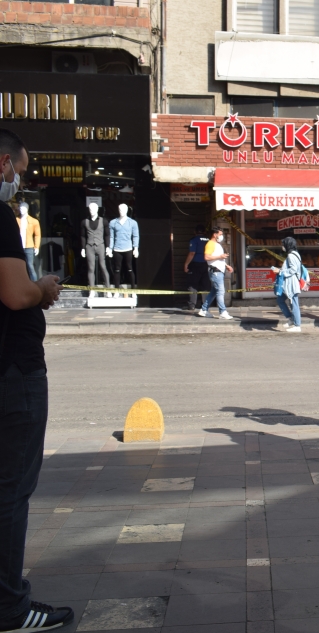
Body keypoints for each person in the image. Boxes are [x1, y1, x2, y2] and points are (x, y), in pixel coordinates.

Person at [0, 128, 73, 631]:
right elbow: (14, 293)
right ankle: (10, 607)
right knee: (10, 492)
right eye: (19, 173)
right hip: (13, 370)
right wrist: (42, 287)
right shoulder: (0, 218)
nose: (19, 184)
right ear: (3, 163)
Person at [198, 227, 233, 320]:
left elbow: (218, 258)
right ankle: (223, 312)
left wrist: (226, 265)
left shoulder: (217, 244)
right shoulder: (210, 244)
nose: (222, 236)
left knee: (214, 292)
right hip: (216, 271)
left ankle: (203, 310)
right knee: (220, 291)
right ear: (215, 234)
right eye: (220, 234)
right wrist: (220, 256)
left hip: (218, 271)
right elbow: (207, 257)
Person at [272, 236, 303, 332]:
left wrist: (280, 271)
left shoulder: (291, 256)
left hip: (291, 283)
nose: (282, 246)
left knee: (294, 303)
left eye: (283, 244)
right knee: (280, 300)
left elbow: (293, 269)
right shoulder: (295, 254)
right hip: (288, 283)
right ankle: (291, 318)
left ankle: (297, 325)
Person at [183, 224, 210, 311]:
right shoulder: (209, 240)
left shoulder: (194, 240)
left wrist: (186, 264)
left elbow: (192, 253)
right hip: (206, 264)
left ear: (195, 232)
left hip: (196, 264)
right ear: (205, 232)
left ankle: (192, 305)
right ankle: (205, 305)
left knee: (192, 284)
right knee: (205, 285)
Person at [15, 202, 40, 282]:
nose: (21, 210)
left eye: (23, 208)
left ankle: (35, 284)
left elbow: (37, 235)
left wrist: (36, 247)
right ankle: (21, 283)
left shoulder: (34, 221)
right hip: (18, 247)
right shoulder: (16, 220)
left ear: (27, 209)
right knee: (19, 266)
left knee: (30, 266)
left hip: (29, 246)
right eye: (20, 208)